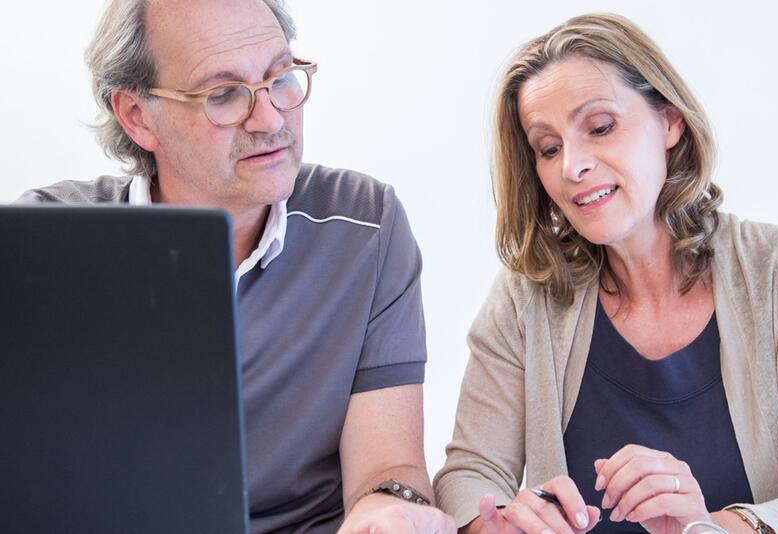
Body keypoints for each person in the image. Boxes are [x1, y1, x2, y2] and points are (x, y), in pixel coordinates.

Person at [434, 12, 778, 534]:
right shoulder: (526, 296)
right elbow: (470, 473)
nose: (570, 167)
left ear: (670, 121)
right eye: (548, 148)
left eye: (600, 127)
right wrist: (494, 524)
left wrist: (711, 529)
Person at [14, 1, 455, 533]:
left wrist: (388, 510)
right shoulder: (45, 243)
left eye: (281, 77)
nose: (270, 119)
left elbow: (388, 468)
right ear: (136, 116)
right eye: (223, 95)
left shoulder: (365, 225)